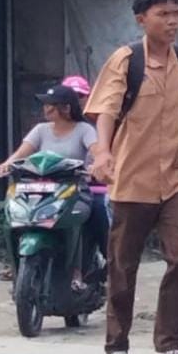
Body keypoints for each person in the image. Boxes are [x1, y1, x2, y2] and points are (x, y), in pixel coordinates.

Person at [85, 0, 178, 354]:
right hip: (131, 180)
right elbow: (106, 110)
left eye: (175, 14)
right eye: (162, 14)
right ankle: (117, 346)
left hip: (175, 180)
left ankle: (169, 345)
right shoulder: (126, 60)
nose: (172, 22)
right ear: (141, 19)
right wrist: (102, 151)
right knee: (123, 264)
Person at [0, 84, 99, 290]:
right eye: (45, 106)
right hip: (41, 192)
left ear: (66, 109)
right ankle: (17, 269)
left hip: (74, 190)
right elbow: (22, 152)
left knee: (75, 218)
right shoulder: (40, 130)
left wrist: (97, 164)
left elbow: (97, 150)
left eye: (50, 106)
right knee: (16, 217)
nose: (45, 110)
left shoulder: (84, 130)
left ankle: (76, 272)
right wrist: (8, 163)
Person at [60, 74, 110, 288]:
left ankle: (110, 264)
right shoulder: (48, 128)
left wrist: (100, 166)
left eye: (80, 96)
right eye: (70, 97)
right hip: (63, 189)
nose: (75, 101)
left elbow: (103, 153)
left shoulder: (98, 125)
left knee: (100, 217)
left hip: (97, 189)